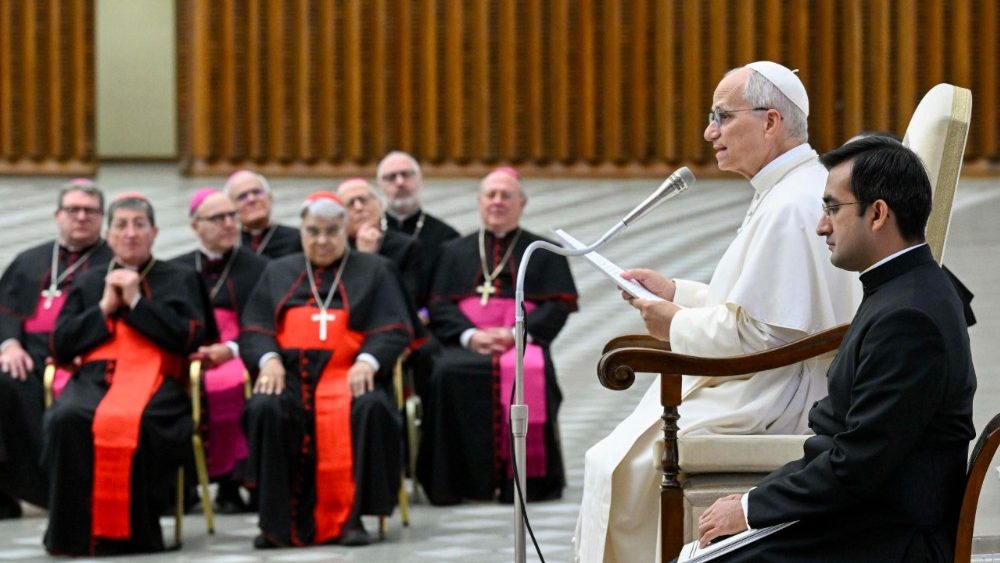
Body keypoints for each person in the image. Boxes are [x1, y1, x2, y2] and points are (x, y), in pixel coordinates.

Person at [574, 61, 863, 562]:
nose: (710, 132)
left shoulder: (792, 204)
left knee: (621, 462)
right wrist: (676, 292)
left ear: (771, 122)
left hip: (777, 393)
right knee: (614, 454)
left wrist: (674, 324)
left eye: (722, 116)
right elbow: (757, 304)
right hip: (767, 376)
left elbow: (768, 335)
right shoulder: (787, 189)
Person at [694, 136, 976, 562]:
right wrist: (755, 499)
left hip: (891, 539)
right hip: (866, 516)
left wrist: (750, 510)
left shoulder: (909, 317)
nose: (822, 226)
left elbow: (858, 463)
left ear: (878, 213)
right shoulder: (903, 287)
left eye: (831, 208)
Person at [42, 193, 214, 556]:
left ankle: (134, 535)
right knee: (66, 418)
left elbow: (192, 337)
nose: (131, 233)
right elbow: (60, 344)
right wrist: (104, 308)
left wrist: (137, 304)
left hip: (158, 380)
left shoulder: (181, 278)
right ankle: (74, 536)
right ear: (108, 234)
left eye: (140, 225)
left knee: (145, 422)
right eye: (121, 225)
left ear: (155, 233)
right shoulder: (89, 283)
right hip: (95, 378)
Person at [239, 191, 413, 548]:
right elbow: (254, 328)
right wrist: (268, 360)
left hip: (349, 375)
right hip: (289, 377)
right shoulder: (278, 270)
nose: (322, 240)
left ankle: (353, 519)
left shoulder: (375, 270)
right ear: (301, 231)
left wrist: (368, 361)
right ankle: (275, 523)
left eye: (331, 231)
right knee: (264, 407)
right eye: (313, 231)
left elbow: (395, 327)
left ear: (345, 229)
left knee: (372, 408)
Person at [417, 168, 578, 504]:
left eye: (506, 195)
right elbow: (438, 305)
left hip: (521, 342)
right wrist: (469, 335)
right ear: (479, 202)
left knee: (532, 372)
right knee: (445, 373)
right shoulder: (453, 251)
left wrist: (516, 333)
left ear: (522, 203)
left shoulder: (542, 250)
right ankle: (457, 483)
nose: (497, 202)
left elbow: (558, 306)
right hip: (468, 341)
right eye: (491, 195)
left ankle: (525, 483)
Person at [0, 179, 112, 519]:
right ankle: (6, 489)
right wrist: (9, 344)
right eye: (73, 210)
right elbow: (4, 308)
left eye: (90, 211)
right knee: (3, 382)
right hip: (28, 355)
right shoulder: (29, 260)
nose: (81, 217)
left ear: (101, 218)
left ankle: (60, 487)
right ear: (57, 215)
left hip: (83, 357)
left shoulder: (113, 262)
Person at [170, 188, 267, 513]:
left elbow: (267, 322)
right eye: (218, 218)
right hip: (192, 351)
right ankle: (185, 487)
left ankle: (238, 482)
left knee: (232, 384)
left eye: (232, 216)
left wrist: (232, 348)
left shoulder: (261, 268)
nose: (229, 224)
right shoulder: (177, 269)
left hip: (242, 350)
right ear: (196, 226)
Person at [376, 150, 460, 305]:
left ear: (421, 180)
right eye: (391, 177)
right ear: (380, 186)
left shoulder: (447, 236)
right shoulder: (370, 234)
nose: (399, 182)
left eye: (406, 174)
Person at [337, 177, 424, 306]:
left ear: (380, 205)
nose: (359, 207)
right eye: (350, 203)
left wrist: (369, 259)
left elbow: (408, 299)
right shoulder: (334, 250)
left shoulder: (407, 247)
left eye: (364, 200)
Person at [224, 170, 302, 259]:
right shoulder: (227, 244)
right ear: (231, 208)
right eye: (242, 196)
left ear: (270, 197)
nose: (251, 199)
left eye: (256, 192)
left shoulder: (298, 238)